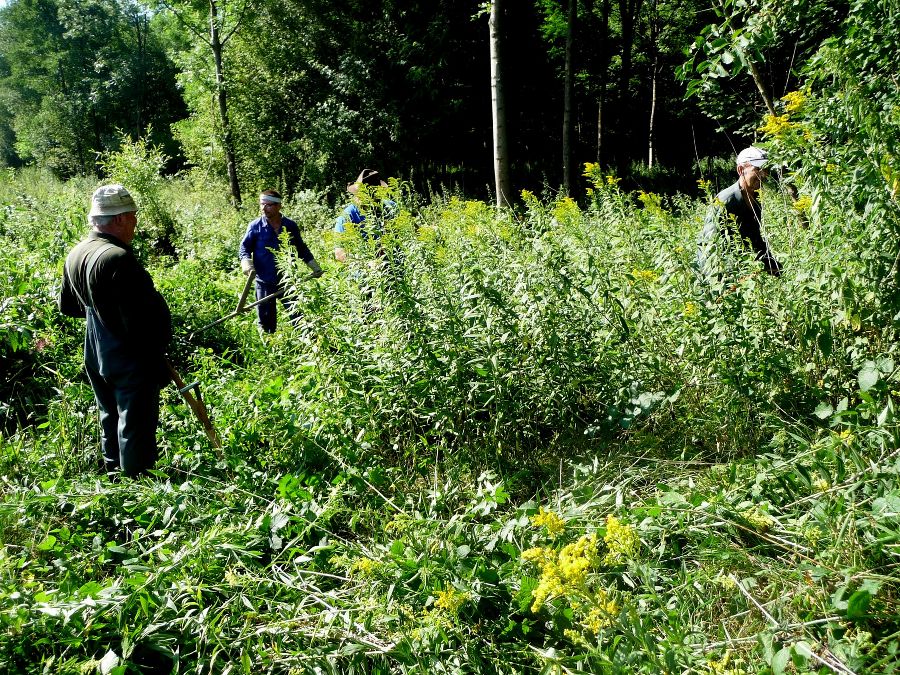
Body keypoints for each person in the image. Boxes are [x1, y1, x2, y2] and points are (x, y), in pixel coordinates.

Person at [59, 184, 172, 477]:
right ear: (119, 219)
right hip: (128, 352)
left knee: (109, 415)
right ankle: (138, 485)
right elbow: (140, 321)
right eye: (133, 216)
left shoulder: (77, 252)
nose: (135, 223)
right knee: (135, 423)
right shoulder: (118, 258)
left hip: (95, 349)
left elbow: (70, 307)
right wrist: (155, 358)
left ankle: (114, 479)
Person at [239, 189, 323, 333]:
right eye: (261, 204)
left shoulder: (290, 226)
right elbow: (244, 248)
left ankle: (309, 345)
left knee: (300, 320)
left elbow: (301, 249)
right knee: (266, 325)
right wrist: (247, 264)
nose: (264, 208)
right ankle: (270, 350)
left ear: (279, 206)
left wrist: (314, 266)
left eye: (268, 205)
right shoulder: (255, 227)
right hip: (264, 283)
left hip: (289, 281)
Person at [697, 146, 782, 280]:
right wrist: (720, 281)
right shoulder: (725, 200)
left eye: (765, 169)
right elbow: (708, 244)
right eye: (757, 169)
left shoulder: (756, 198)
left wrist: (770, 262)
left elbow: (754, 236)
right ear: (740, 170)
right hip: (720, 273)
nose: (763, 174)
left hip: (743, 269)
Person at [334, 169, 398, 263]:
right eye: (364, 194)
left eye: (374, 195)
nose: (371, 199)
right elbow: (339, 253)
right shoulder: (347, 216)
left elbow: (413, 231)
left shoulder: (391, 207)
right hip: (365, 273)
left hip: (397, 267)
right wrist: (365, 264)